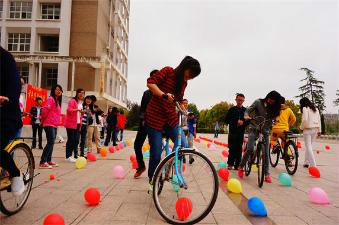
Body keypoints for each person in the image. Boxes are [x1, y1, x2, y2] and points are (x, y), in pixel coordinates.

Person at [146, 56, 201, 187]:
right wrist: (164, 95)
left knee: (183, 143)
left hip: (171, 118)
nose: (191, 77)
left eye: (194, 76)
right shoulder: (168, 71)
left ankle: (170, 169)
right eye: (191, 73)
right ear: (184, 67)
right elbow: (150, 83)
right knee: (156, 153)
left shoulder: (184, 83)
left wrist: (185, 112)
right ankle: (153, 180)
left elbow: (180, 101)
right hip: (155, 116)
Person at [238, 91, 283, 183]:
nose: (271, 101)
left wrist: (275, 120)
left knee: (266, 153)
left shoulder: (274, 108)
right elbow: (248, 110)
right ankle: (241, 166)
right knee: (250, 148)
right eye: (270, 99)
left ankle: (266, 174)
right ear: (267, 97)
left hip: (265, 131)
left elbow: (276, 118)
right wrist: (246, 115)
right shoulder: (258, 102)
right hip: (254, 128)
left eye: (273, 100)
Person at [0, 47, 25, 196]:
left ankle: (15, 173)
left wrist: (8, 99)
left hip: (6, 115)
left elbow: (15, 86)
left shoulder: (5, 58)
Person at [133, 70, 158, 178]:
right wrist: (142, 119)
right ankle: (141, 166)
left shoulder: (162, 92)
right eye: (152, 77)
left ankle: (154, 171)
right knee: (137, 145)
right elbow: (142, 109)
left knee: (154, 148)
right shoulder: (146, 93)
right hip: (144, 123)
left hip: (156, 125)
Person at [39, 84, 63, 169]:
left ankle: (48, 160)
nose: (58, 91)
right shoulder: (51, 99)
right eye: (56, 89)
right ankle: (42, 161)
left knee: (52, 143)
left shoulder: (57, 101)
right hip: (48, 124)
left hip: (54, 125)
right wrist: (42, 121)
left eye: (60, 89)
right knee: (50, 142)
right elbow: (45, 111)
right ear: (53, 90)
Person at [225, 93, 247, 170]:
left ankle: (237, 165)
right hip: (232, 132)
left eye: (241, 100)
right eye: (238, 100)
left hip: (241, 132)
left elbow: (248, 121)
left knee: (239, 149)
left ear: (243, 100)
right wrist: (235, 121)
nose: (239, 101)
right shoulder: (232, 109)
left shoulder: (245, 110)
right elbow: (226, 120)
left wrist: (243, 122)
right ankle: (230, 164)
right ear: (236, 100)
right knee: (231, 148)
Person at [299, 97, 321, 168]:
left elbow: (305, 120)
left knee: (308, 146)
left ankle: (313, 165)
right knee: (309, 146)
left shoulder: (305, 108)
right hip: (315, 129)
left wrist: (301, 128)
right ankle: (306, 162)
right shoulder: (316, 109)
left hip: (308, 129)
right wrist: (319, 130)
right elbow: (319, 120)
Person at [64, 89, 85, 162]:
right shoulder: (72, 101)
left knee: (76, 140)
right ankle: (68, 156)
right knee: (71, 139)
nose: (81, 94)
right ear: (77, 93)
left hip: (78, 123)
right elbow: (69, 110)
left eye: (83, 93)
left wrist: (82, 113)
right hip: (71, 123)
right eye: (80, 93)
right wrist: (77, 110)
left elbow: (79, 115)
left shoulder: (81, 103)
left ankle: (73, 155)